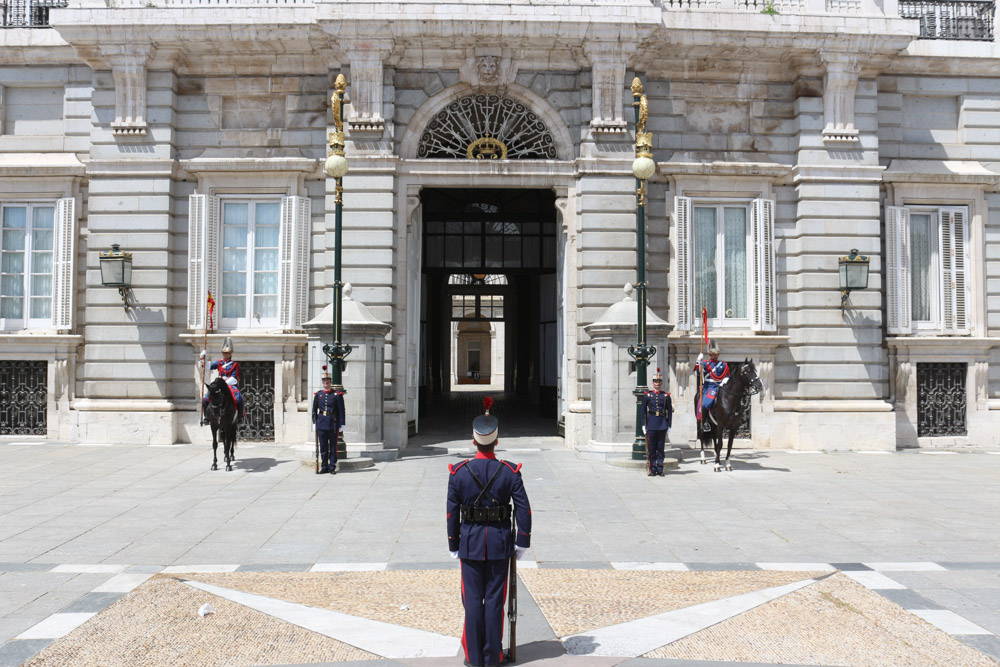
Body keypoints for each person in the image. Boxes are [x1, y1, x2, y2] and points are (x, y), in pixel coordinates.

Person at [447, 397, 531, 667]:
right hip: (499, 544)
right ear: (496, 441)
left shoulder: (458, 473)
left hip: (469, 544)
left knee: (472, 602)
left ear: (473, 441)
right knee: (495, 602)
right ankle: (493, 656)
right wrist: (522, 543)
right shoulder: (510, 472)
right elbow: (524, 509)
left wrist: (453, 544)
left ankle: (473, 657)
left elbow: (451, 513)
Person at [200, 337, 244, 424]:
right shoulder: (219, 363)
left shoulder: (234, 364)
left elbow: (234, 376)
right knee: (205, 398)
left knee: (239, 398)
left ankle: (240, 417)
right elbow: (207, 367)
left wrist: (225, 383)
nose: (225, 355)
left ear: (230, 354)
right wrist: (202, 357)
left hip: (230, 383)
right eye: (224, 353)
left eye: (227, 353)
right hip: (219, 384)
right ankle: (206, 417)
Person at [312, 368, 345, 474]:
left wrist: (342, 423)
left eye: (328, 382)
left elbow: (341, 410)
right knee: (323, 446)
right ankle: (324, 466)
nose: (326, 383)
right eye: (324, 382)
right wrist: (314, 422)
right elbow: (314, 410)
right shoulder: (318, 395)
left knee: (333, 446)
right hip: (321, 423)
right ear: (322, 383)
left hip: (333, 423)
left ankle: (332, 466)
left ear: (330, 382)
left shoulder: (337, 395)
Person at [642, 368, 673, 476]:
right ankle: (653, 468)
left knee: (660, 448)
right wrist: (643, 424)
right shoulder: (647, 395)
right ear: (652, 383)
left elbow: (669, 412)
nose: (657, 383)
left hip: (662, 424)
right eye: (655, 381)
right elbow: (643, 411)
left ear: (661, 383)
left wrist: (669, 425)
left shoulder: (665, 396)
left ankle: (660, 468)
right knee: (652, 448)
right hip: (651, 424)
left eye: (659, 382)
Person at [694, 339, 730, 433]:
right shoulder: (705, 364)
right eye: (713, 354)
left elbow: (726, 376)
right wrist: (698, 361)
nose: (715, 356)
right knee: (706, 404)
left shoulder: (723, 364)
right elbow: (698, 373)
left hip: (721, 386)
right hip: (709, 387)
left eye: (716, 354)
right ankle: (705, 422)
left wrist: (724, 381)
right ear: (709, 355)